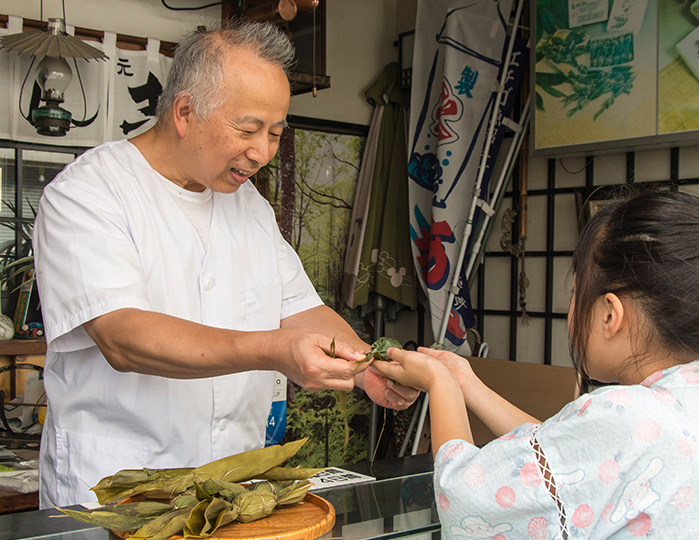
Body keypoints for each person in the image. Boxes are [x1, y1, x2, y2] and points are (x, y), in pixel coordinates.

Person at [32, 21, 417, 509]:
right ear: (185, 112)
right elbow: (124, 337)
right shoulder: (87, 194)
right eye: (248, 129)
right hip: (118, 486)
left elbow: (297, 309)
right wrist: (274, 350)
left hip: (232, 485)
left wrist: (366, 365)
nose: (262, 153)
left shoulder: (249, 206)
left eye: (275, 133)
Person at [372, 190, 699, 540]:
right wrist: (468, 384)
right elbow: (572, 465)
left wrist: (440, 387)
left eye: (577, 294)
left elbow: (466, 496)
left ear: (611, 314)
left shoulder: (627, 417)